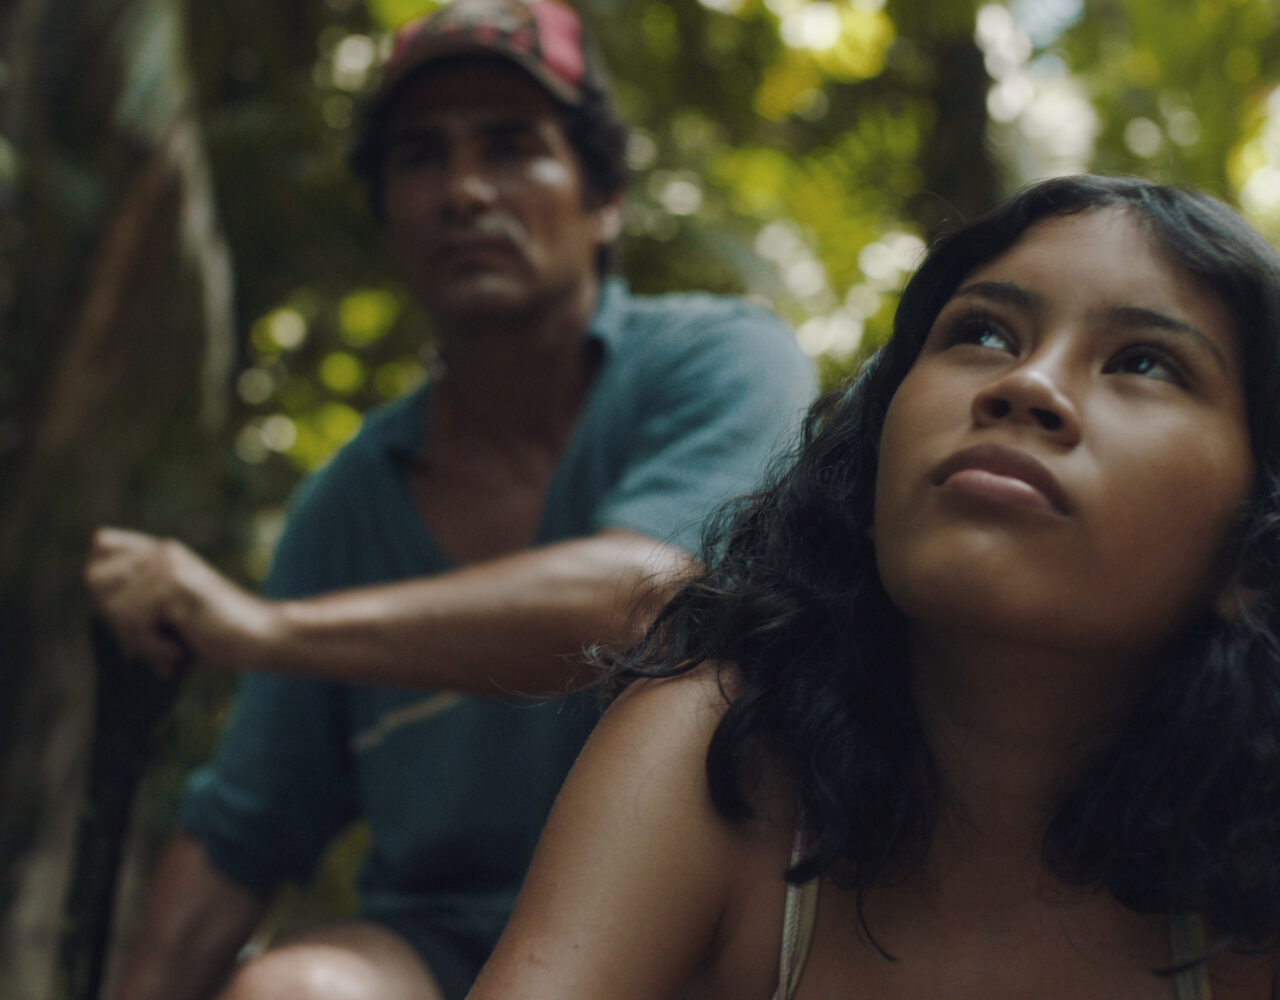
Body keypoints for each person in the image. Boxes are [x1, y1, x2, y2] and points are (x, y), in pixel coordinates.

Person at [82, 2, 816, 998]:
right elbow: (241, 830)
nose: (464, 190)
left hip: (692, 941)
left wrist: (261, 628)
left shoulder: (721, 360)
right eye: (421, 157)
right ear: (388, 217)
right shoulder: (349, 505)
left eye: (511, 147)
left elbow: (646, 598)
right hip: (441, 945)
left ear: (602, 200)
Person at [465, 174, 1280, 1000]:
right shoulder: (718, 747)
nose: (1028, 383)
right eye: (984, 334)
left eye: (1145, 362)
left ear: (1252, 554)